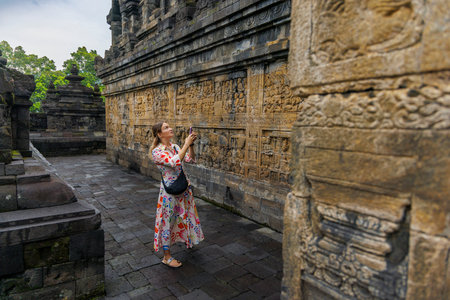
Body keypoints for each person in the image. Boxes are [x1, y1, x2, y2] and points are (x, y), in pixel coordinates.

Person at [151, 122, 204, 268]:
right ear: (160, 134)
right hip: (170, 193)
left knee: (186, 216)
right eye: (166, 128)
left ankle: (188, 240)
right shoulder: (156, 152)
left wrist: (191, 145)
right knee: (167, 221)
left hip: (183, 190)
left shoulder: (174, 147)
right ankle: (166, 257)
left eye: (169, 126)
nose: (170, 129)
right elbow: (174, 162)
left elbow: (190, 159)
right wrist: (186, 144)